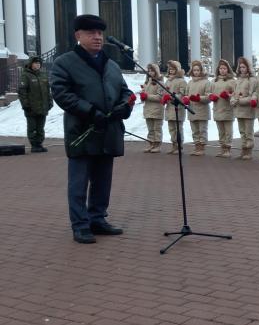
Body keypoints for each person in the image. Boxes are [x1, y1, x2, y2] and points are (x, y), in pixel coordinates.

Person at [50, 14, 134, 244]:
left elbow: (125, 91)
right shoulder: (64, 63)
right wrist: (89, 111)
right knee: (79, 182)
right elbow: (61, 93)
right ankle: (80, 225)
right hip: (83, 131)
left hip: (108, 130)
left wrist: (123, 108)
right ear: (78, 36)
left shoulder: (112, 64)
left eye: (99, 33)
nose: (97, 37)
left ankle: (97, 218)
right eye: (91, 33)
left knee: (102, 180)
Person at [17, 55, 52, 153]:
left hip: (43, 106)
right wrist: (25, 105)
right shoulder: (26, 75)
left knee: (40, 127)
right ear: (30, 64)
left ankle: (39, 144)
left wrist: (50, 102)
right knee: (32, 127)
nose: (37, 65)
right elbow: (22, 92)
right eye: (35, 63)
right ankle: (34, 145)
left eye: (39, 63)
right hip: (31, 107)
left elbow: (47, 90)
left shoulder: (43, 75)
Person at [209, 59, 236, 158]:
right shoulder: (214, 81)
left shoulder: (232, 81)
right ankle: (222, 148)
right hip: (217, 108)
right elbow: (209, 92)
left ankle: (228, 148)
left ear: (228, 69)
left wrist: (228, 95)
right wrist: (211, 96)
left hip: (227, 109)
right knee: (220, 131)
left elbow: (235, 94)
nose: (222, 70)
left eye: (224, 68)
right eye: (221, 68)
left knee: (228, 131)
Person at [232, 57, 257, 160]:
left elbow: (253, 95)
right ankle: (243, 149)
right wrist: (232, 99)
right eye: (240, 67)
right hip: (238, 110)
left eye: (244, 67)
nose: (242, 69)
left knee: (248, 132)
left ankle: (249, 151)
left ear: (248, 68)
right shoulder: (238, 80)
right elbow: (234, 93)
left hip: (248, 110)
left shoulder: (252, 80)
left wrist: (241, 100)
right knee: (242, 131)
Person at [140, 63, 166, 153]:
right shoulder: (147, 82)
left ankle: (157, 145)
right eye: (149, 70)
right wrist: (142, 96)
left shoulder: (160, 83)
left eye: (152, 70)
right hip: (147, 109)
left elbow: (159, 97)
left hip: (157, 109)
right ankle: (151, 144)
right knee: (150, 128)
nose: (150, 72)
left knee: (157, 128)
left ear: (156, 71)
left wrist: (147, 96)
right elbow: (144, 95)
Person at [163, 60, 188, 155]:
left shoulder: (181, 81)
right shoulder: (168, 81)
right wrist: (164, 97)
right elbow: (164, 92)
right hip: (169, 107)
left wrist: (174, 97)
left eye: (173, 69)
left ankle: (179, 145)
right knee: (171, 128)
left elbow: (183, 93)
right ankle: (173, 144)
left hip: (178, 108)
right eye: (170, 69)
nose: (171, 71)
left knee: (178, 128)